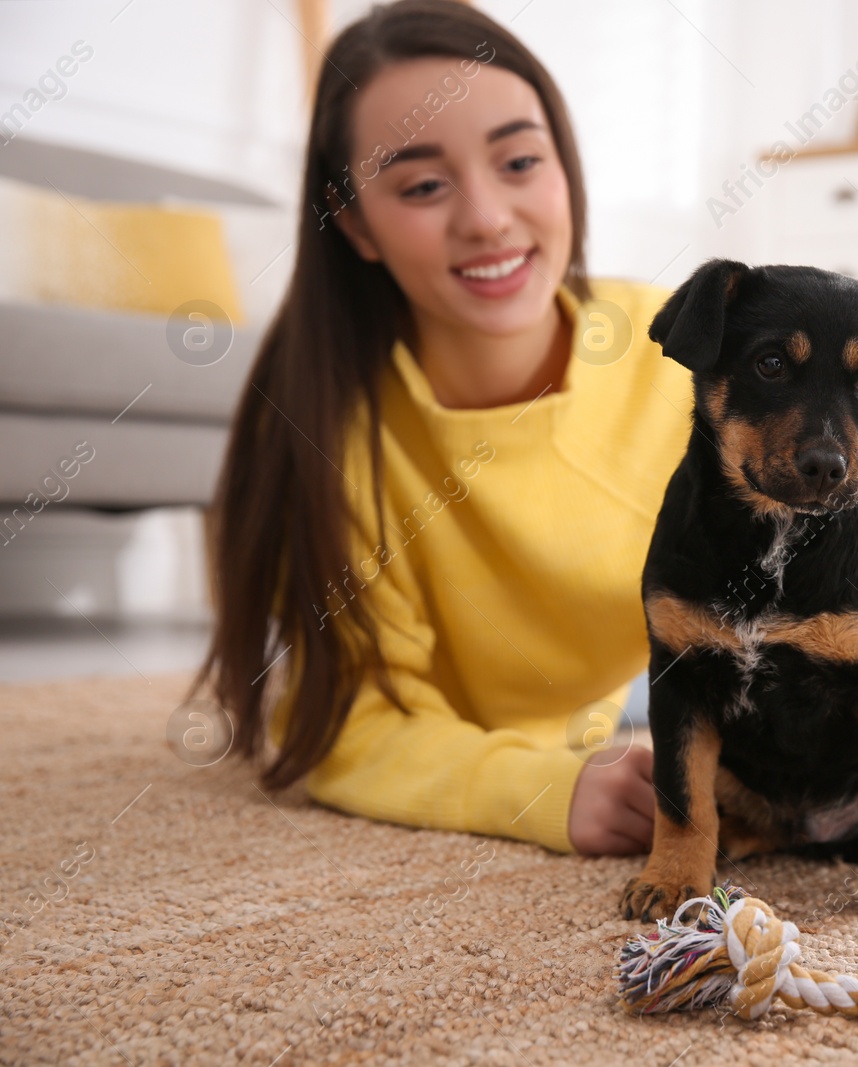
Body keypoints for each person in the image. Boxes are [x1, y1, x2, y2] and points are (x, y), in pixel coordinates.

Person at [187, 0, 690, 857]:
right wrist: (547, 788)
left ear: (565, 167)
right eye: (423, 185)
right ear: (355, 224)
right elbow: (354, 733)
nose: (488, 217)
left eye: (521, 162)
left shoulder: (683, 351)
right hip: (515, 719)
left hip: (650, 674)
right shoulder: (336, 431)